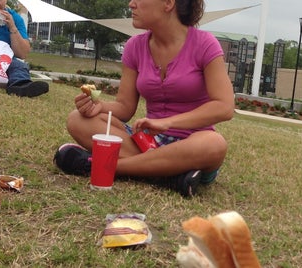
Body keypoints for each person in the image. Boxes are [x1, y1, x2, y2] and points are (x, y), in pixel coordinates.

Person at [53, 0, 234, 197]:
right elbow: (125, 107)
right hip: (147, 143)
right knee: (77, 120)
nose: (131, 4)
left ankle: (99, 166)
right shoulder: (135, 47)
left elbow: (224, 107)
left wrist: (168, 122)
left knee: (214, 144)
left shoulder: (205, 44)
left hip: (191, 146)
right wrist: (100, 106)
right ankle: (169, 176)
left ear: (168, 3)